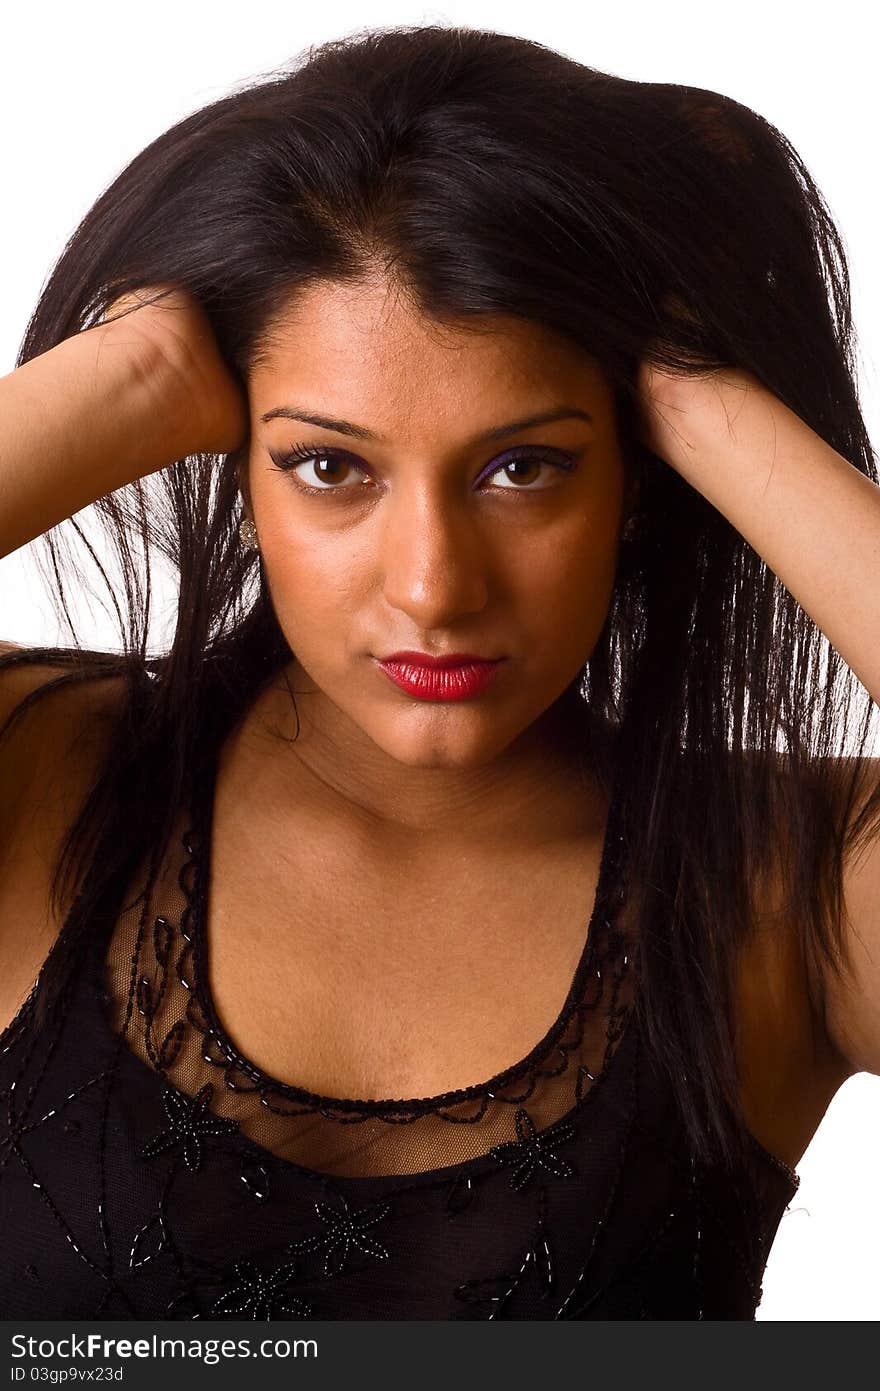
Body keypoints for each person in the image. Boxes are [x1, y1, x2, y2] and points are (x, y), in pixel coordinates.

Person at [0, 24, 877, 1321]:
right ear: (234, 456)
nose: (433, 586)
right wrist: (129, 371)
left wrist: (705, 399)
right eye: (329, 467)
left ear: (638, 480)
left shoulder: (790, 885)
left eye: (525, 466)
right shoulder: (37, 772)